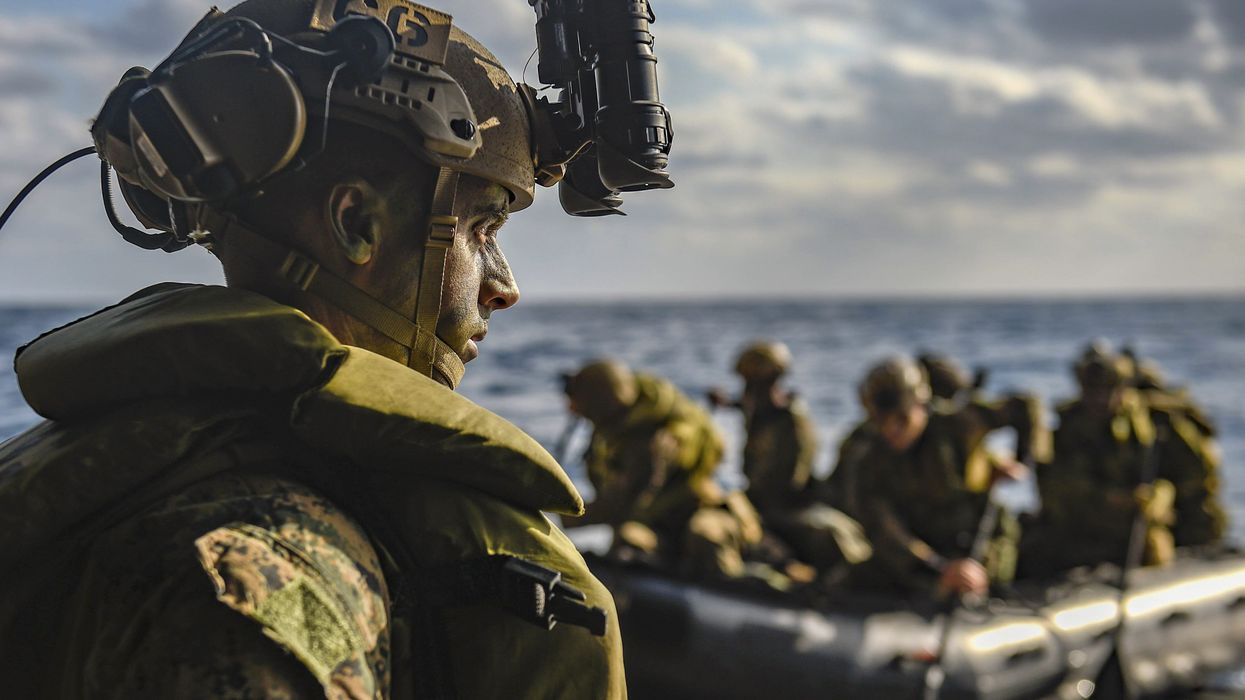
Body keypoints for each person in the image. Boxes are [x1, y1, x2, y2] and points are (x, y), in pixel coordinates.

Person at [0, 2, 630, 696]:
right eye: (481, 228)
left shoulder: (138, 447)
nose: (503, 286)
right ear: (355, 222)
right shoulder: (263, 564)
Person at [842, 357, 1047, 598]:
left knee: (973, 582)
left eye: (901, 420)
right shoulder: (868, 459)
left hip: (978, 540)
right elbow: (884, 527)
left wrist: (1022, 460)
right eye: (881, 422)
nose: (892, 431)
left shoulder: (959, 426)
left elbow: (1026, 406)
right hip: (920, 553)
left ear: (921, 405)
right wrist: (937, 567)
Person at [1032, 343, 1227, 573]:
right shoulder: (1070, 427)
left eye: (1107, 389)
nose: (1099, 399)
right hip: (1088, 525)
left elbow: (1197, 481)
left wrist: (1155, 499)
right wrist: (1109, 499)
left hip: (1142, 529)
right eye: (1091, 389)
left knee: (1154, 546)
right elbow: (1054, 486)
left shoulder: (1153, 423)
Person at [563, 359, 761, 580]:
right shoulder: (613, 435)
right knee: (629, 539)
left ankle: (740, 591)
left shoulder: (653, 442)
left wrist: (559, 517)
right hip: (658, 525)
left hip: (700, 511)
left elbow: (622, 503)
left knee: (706, 536)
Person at [709, 340, 870, 575]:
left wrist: (748, 506)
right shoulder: (763, 411)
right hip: (767, 500)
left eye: (750, 383)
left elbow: (786, 483)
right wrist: (727, 403)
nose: (746, 391)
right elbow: (746, 407)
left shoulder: (792, 423)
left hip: (784, 505)